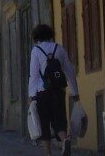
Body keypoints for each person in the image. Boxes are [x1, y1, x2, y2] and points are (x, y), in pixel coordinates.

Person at [28, 24, 79, 156]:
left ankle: (48, 153)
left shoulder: (36, 51)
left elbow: (33, 75)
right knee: (59, 120)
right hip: (58, 91)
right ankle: (64, 140)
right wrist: (75, 92)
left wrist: (32, 96)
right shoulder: (59, 49)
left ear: (36, 37)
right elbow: (70, 71)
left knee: (44, 123)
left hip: (42, 93)